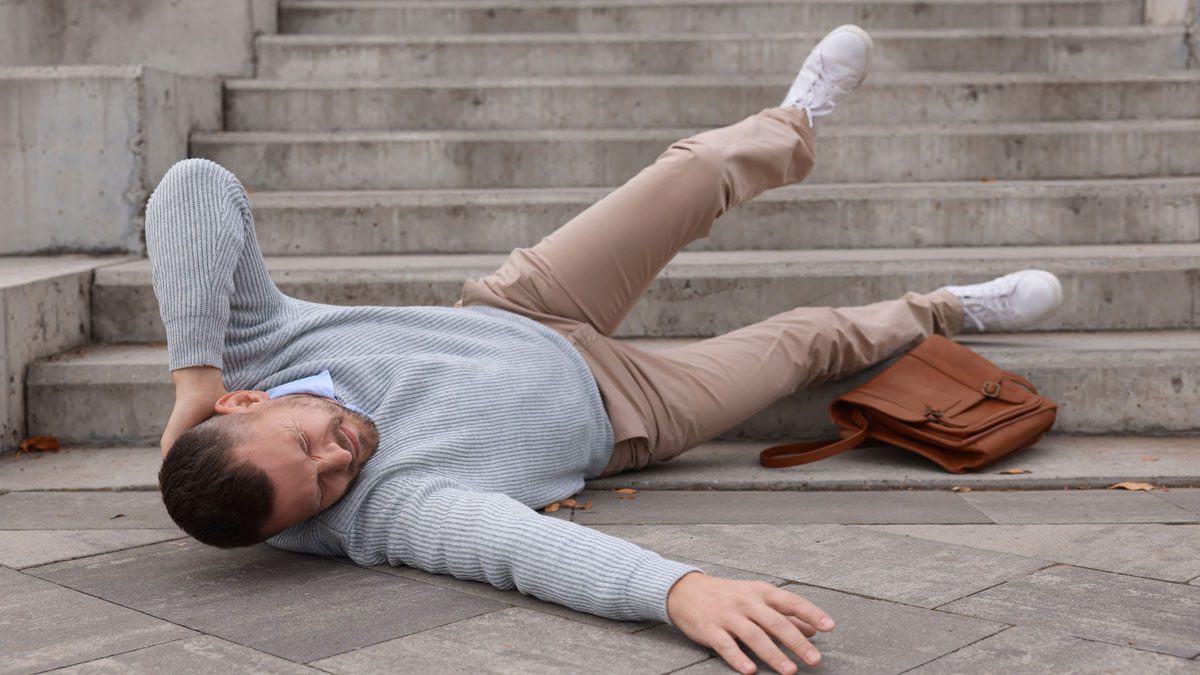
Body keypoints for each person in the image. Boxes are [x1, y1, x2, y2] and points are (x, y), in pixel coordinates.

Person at [152, 26, 1062, 675]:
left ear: (242, 402)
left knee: (691, 175)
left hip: (525, 305)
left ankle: (794, 123)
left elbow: (195, 186)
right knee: (803, 341)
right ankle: (944, 310)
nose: (339, 457)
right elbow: (516, 548)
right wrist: (682, 591)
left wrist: (190, 376)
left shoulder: (254, 347)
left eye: (309, 444)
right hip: (626, 412)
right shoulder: (377, 517)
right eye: (318, 490)